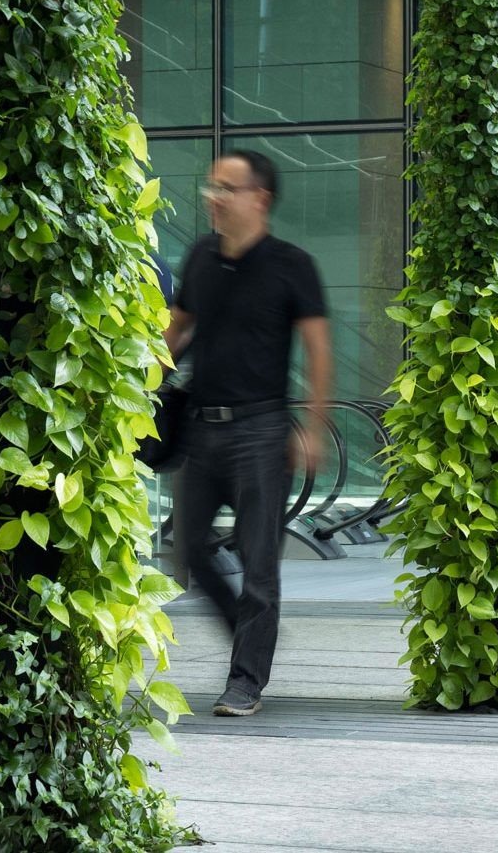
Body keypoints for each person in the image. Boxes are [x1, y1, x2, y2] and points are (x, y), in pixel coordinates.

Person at [163, 150, 331, 717]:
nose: (213, 196)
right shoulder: (201, 255)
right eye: (210, 185)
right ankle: (250, 632)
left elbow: (317, 349)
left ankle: (245, 680)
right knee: (185, 550)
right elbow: (178, 328)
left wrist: (310, 427)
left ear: (258, 198)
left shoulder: (292, 265)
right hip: (201, 428)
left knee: (260, 560)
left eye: (226, 188)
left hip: (261, 430)